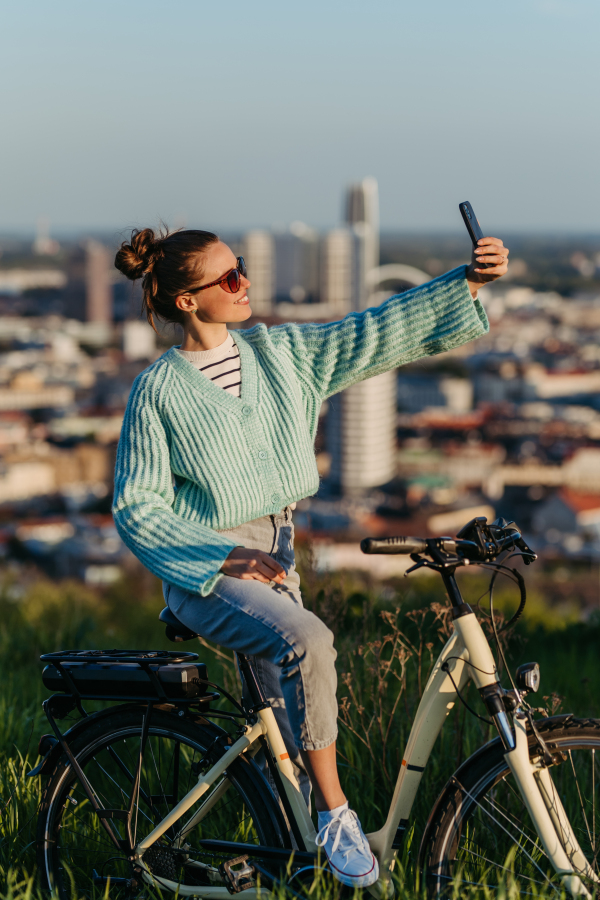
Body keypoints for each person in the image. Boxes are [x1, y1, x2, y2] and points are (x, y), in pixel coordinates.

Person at [112, 226, 508, 888]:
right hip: (207, 571)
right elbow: (138, 507)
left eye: (241, 269)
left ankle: (289, 860)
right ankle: (336, 814)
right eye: (228, 279)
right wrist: (223, 556)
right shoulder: (158, 392)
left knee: (288, 733)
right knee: (310, 642)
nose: (244, 284)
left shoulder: (283, 354)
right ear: (186, 301)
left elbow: (373, 332)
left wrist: (465, 282)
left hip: (278, 553)